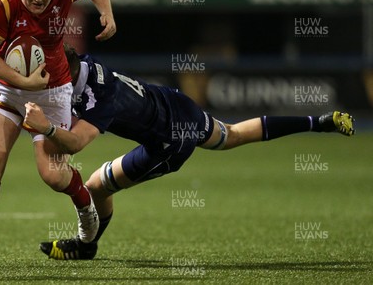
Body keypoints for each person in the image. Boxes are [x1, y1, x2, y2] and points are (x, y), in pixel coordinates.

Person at [20, 45, 355, 260]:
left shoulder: (99, 96)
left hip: (169, 142)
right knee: (233, 135)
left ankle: (85, 245)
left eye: (47, 76)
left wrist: (45, 127)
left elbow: (76, 142)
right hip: (179, 106)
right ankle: (319, 122)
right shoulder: (86, 65)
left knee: (96, 186)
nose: (43, 81)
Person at [0, 0, 116, 267]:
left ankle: (85, 205)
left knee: (54, 176)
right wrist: (22, 82)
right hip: (5, 87)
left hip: (53, 90)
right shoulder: (1, 3)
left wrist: (106, 13)